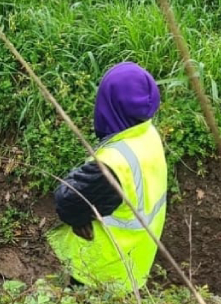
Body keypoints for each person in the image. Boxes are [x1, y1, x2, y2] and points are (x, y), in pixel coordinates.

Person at [47, 61, 167, 289]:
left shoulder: (113, 164)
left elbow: (68, 200)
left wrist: (77, 218)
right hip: (136, 263)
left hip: (101, 272)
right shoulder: (148, 135)